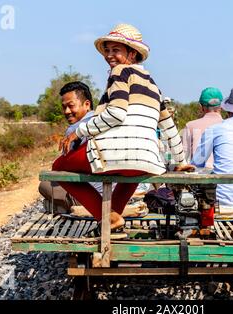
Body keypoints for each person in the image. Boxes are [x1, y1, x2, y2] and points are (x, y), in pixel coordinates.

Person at [52, 23, 194, 232]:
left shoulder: (120, 72)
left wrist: (79, 132)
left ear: (133, 53)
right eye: (107, 50)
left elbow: (116, 113)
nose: (109, 55)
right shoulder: (153, 85)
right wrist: (181, 161)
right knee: (133, 170)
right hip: (147, 160)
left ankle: (105, 216)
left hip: (114, 153)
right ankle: (113, 219)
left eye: (116, 50)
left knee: (58, 168)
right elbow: (168, 126)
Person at [39, 81, 97, 214]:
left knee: (44, 185)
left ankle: (67, 206)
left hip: (90, 194)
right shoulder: (101, 120)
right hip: (113, 189)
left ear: (87, 104)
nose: (67, 111)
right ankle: (59, 206)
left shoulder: (74, 130)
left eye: (71, 106)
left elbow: (66, 169)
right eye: (64, 107)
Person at [181, 87, 223, 169]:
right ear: (221, 106)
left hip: (197, 175)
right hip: (222, 175)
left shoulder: (190, 126)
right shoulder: (228, 126)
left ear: (201, 106)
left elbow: (184, 156)